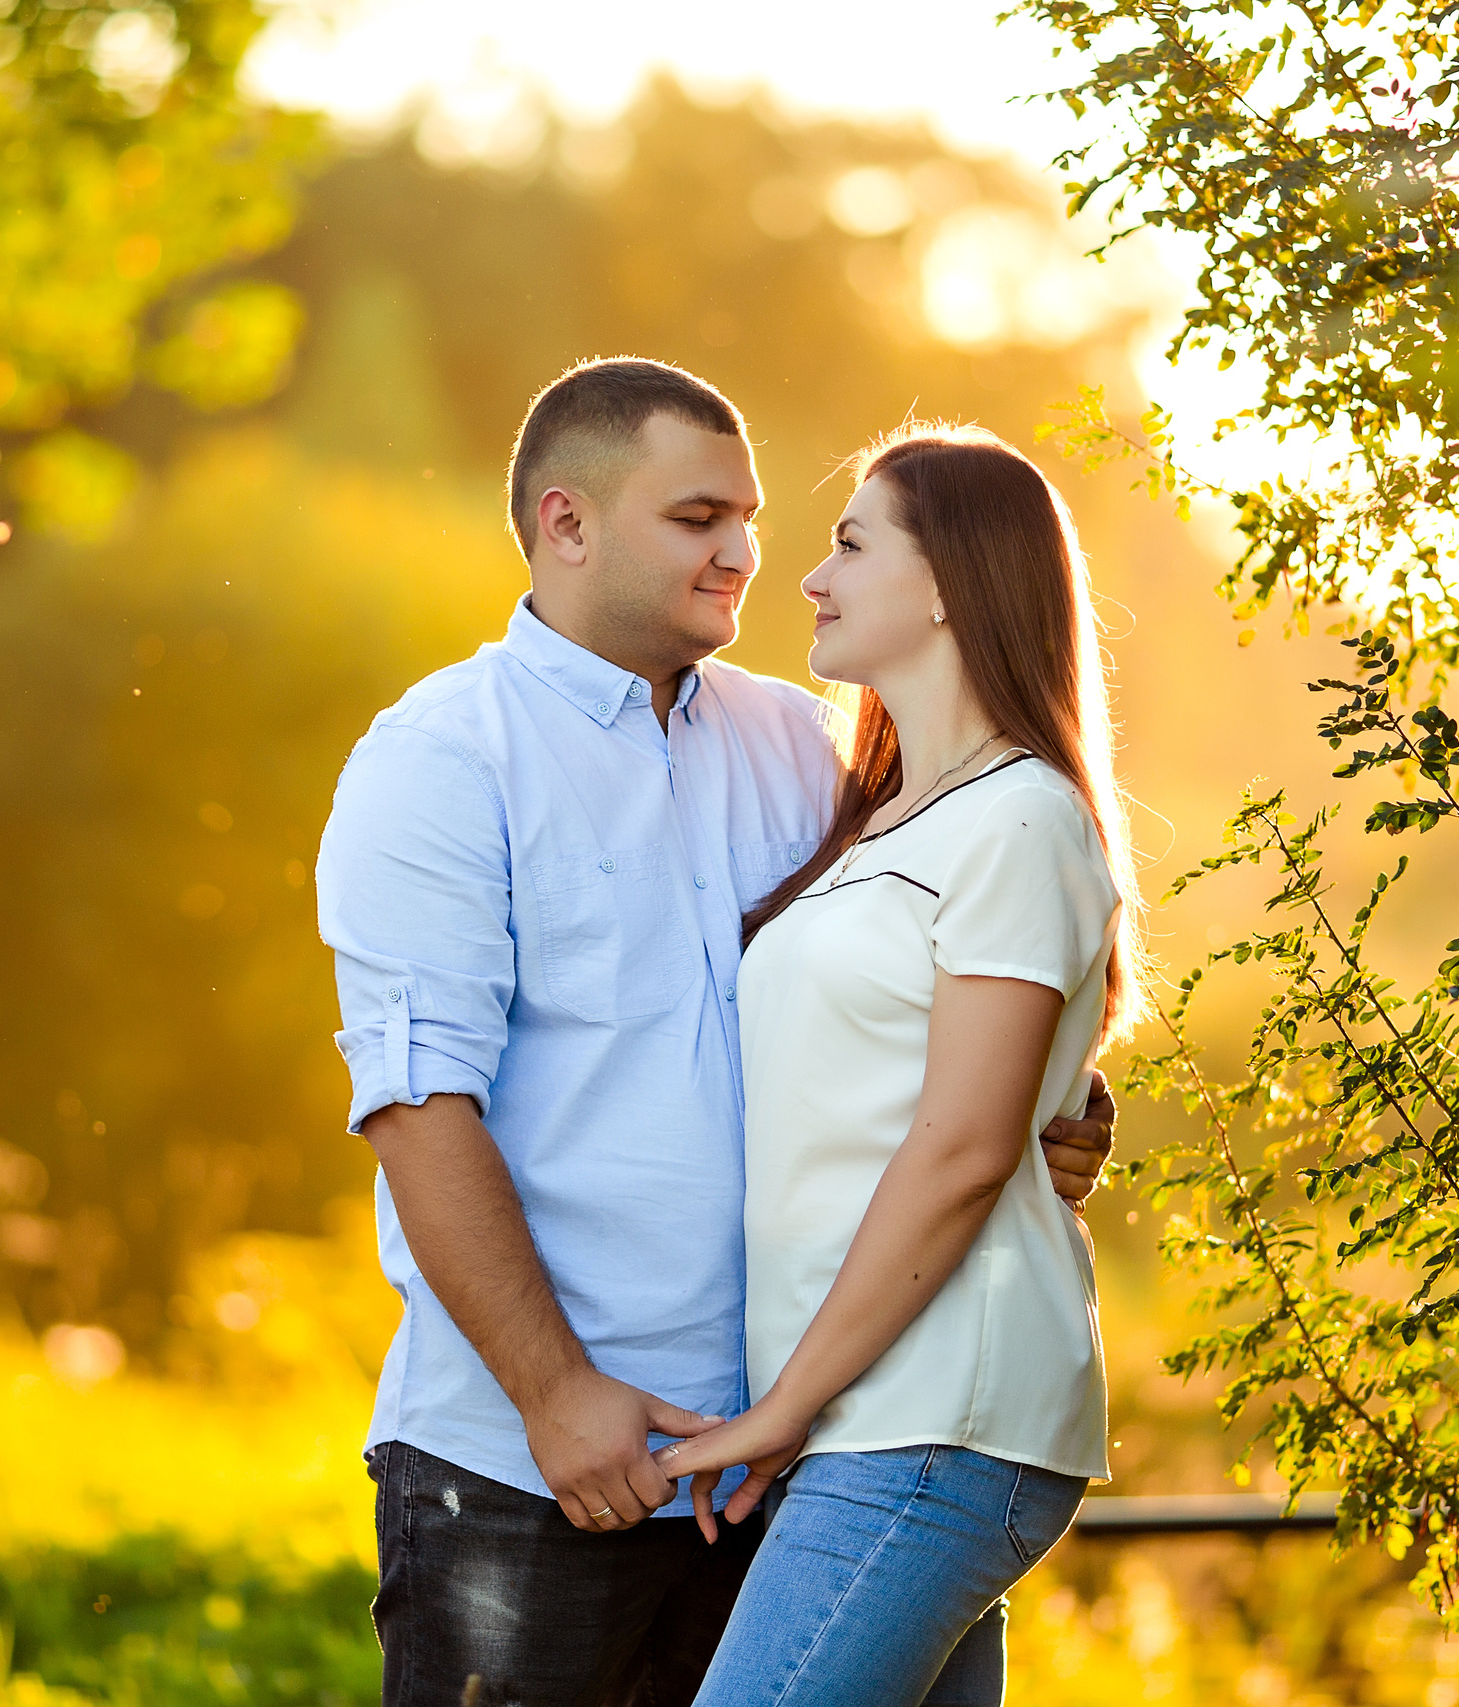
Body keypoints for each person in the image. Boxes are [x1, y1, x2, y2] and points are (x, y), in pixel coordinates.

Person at [315, 362, 1119, 1707]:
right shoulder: (443, 755)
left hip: (777, 1453)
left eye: (751, 516)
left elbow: (952, 968)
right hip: (528, 1461)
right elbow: (416, 1102)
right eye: (700, 518)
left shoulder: (798, 741)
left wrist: (1059, 1092)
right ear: (566, 523)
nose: (748, 552)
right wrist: (555, 1389)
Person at [654, 424, 1143, 1707]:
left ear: (946, 584)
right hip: (869, 1417)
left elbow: (968, 1147)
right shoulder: (879, 823)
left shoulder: (1023, 814)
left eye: (849, 543)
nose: (805, 578)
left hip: (935, 1413)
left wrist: (779, 1411)